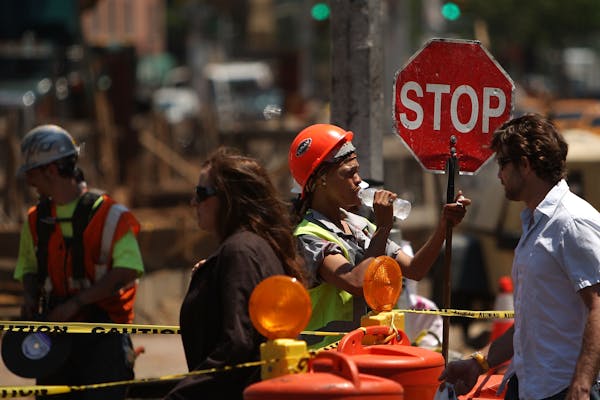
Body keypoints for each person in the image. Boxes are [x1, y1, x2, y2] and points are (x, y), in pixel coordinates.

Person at [439, 114, 600, 400]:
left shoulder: (572, 221)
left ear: (525, 165)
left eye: (503, 164)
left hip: (563, 390)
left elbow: (598, 306)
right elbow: (533, 321)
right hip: (529, 386)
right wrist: (478, 363)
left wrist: (583, 383)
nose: (499, 174)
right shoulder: (535, 222)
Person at [288, 123, 470, 348]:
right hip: (328, 357)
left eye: (357, 170)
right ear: (321, 181)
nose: (359, 180)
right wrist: (383, 228)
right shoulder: (308, 236)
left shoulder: (359, 226)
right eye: (349, 173)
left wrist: (444, 225)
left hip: (364, 351)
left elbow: (415, 269)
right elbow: (355, 282)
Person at [163, 147, 307, 400]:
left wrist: (178, 396)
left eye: (201, 193)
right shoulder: (249, 247)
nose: (193, 202)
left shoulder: (240, 251)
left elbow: (236, 346)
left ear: (229, 199)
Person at [13, 124, 144, 399]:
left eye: (32, 173)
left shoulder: (110, 215)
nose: (29, 181)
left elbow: (127, 269)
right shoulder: (37, 219)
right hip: (56, 335)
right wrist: (28, 296)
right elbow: (28, 266)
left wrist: (77, 303)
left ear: (51, 169)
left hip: (103, 338)